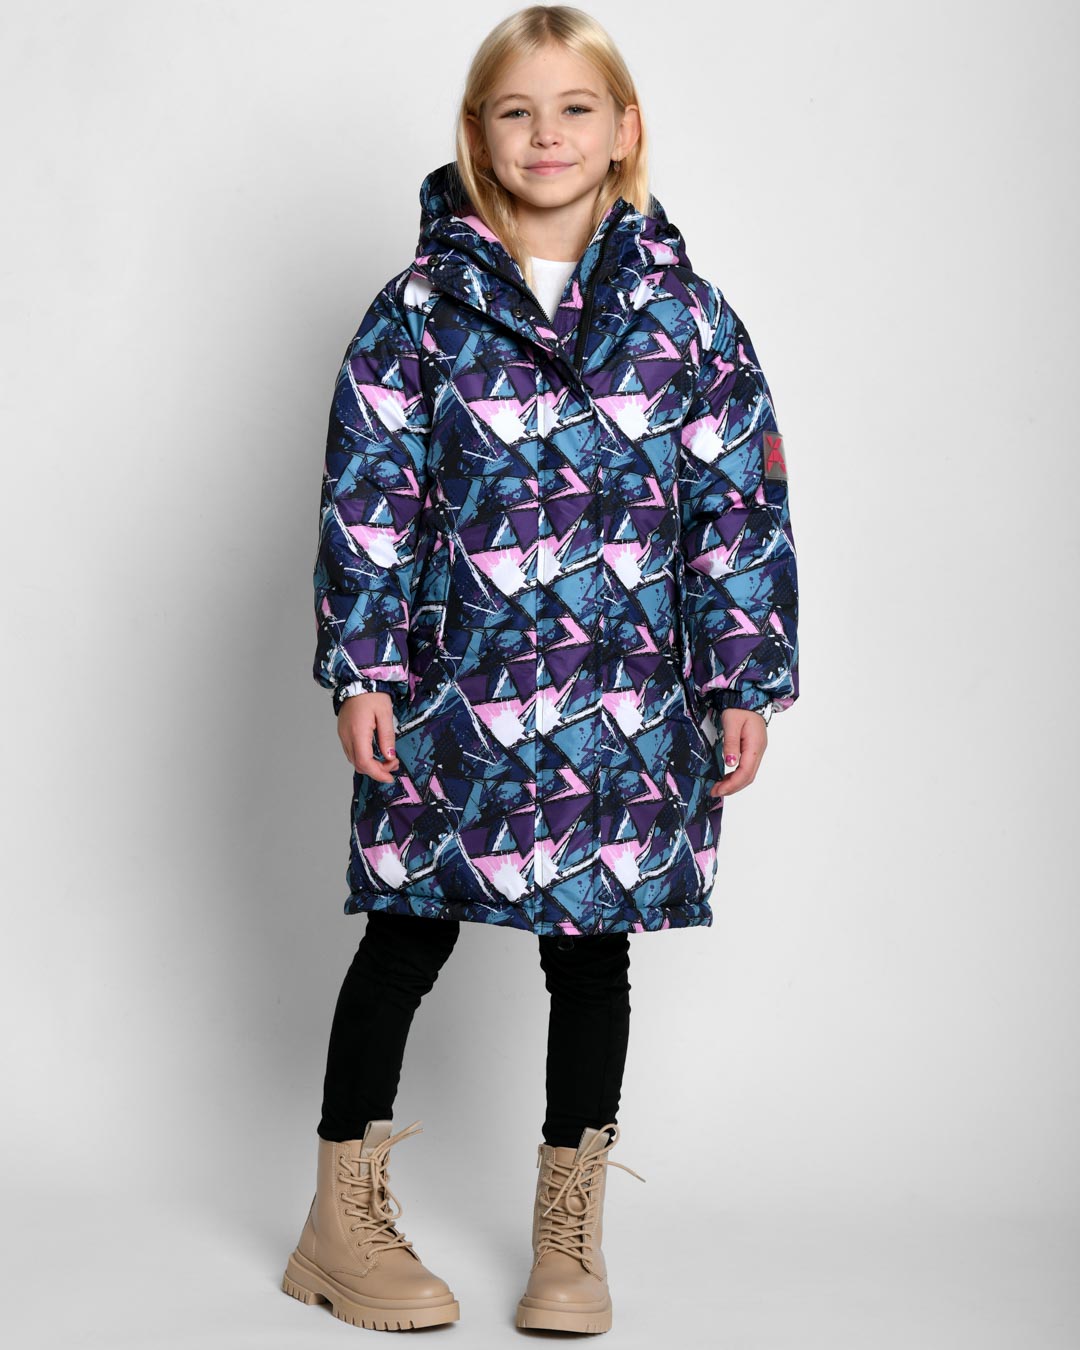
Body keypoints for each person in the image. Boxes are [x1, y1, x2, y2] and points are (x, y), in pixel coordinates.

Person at [281, 4, 799, 1336]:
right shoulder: (416, 313)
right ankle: (338, 1221)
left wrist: (741, 675)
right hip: (450, 691)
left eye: (575, 109)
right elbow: (370, 496)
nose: (546, 134)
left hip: (624, 705)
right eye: (517, 111)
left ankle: (570, 1242)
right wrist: (364, 668)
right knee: (407, 930)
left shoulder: (689, 320)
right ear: (477, 134)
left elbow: (735, 505)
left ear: (624, 130)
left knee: (591, 957)